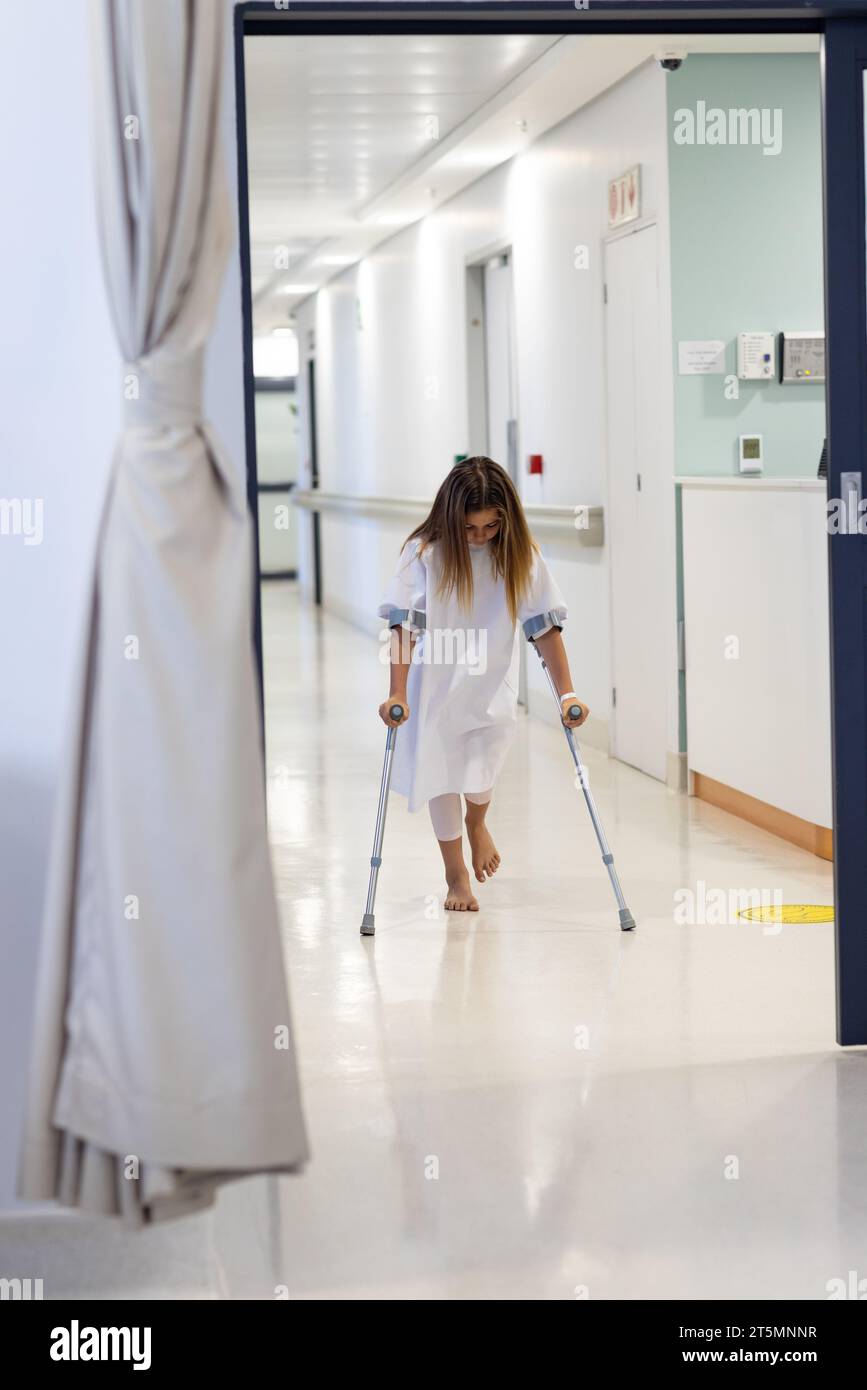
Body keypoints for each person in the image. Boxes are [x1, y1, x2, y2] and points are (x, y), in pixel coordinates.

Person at [377, 456, 589, 912]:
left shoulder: (519, 555)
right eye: (469, 528)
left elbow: (545, 627)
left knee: (481, 771)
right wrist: (397, 690)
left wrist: (567, 692)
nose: (479, 538)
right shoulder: (423, 553)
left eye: (490, 527)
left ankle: (478, 823)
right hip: (434, 684)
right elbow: (404, 627)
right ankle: (456, 877)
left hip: (491, 682)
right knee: (440, 775)